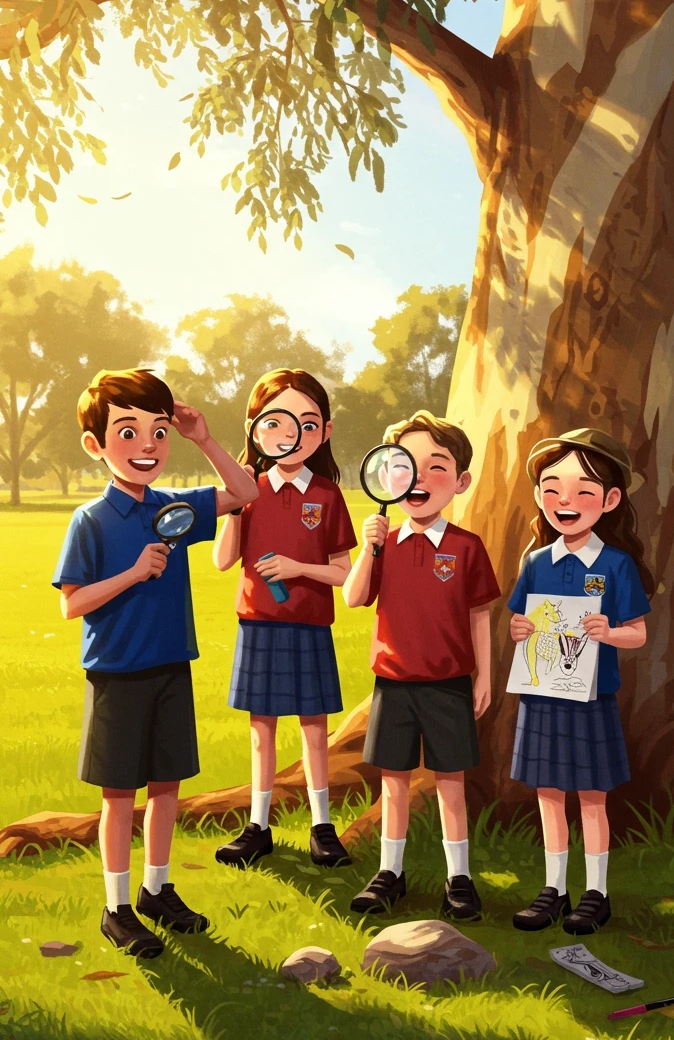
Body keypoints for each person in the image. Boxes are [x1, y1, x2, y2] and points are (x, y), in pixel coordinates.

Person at [52, 368, 258, 958]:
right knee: (119, 795)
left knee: (165, 788)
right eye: (129, 432)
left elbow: (246, 494)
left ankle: (155, 889)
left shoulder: (174, 508)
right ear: (96, 445)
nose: (147, 445)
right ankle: (116, 907)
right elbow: (72, 604)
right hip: (117, 672)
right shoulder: (90, 520)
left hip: (172, 666)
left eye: (159, 432)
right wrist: (133, 574)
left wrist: (205, 439)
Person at [343, 411, 501, 921]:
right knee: (393, 781)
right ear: (387, 476)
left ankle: (459, 878)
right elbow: (353, 597)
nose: (419, 479)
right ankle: (390, 871)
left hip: (449, 684)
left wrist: (486, 677)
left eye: (437, 467)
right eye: (405, 466)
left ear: (460, 482)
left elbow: (481, 615)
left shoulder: (466, 547)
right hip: (392, 682)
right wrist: (370, 547)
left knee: (449, 783)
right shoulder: (385, 543)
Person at [507, 430, 653, 935]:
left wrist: (609, 632)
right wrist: (518, 629)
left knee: (592, 796)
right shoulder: (534, 562)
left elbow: (638, 634)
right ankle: (553, 888)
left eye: (583, 491)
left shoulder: (616, 565)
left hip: (591, 698)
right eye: (552, 488)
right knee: (548, 794)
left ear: (611, 500)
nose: (565, 502)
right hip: (542, 694)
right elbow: (518, 621)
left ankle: (596, 892)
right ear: (539, 496)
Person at [212, 369, 357, 869]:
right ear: (256, 428)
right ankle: (258, 825)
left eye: (308, 425)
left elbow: (344, 572)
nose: (291, 436)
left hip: (311, 624)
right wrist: (233, 505)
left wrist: (297, 569)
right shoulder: (246, 490)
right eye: (277, 424)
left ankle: (322, 825)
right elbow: (222, 560)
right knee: (262, 728)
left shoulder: (327, 495)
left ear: (325, 431)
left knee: (314, 728)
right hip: (258, 623)